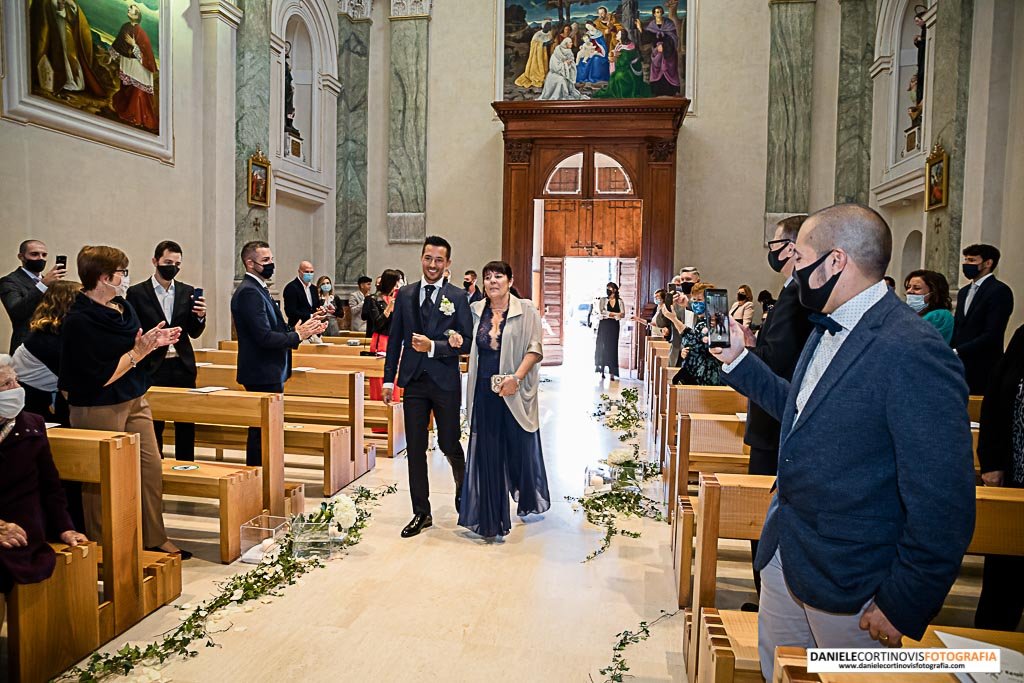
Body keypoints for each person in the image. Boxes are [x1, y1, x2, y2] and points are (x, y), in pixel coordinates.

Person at [710, 204, 975, 680]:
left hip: (853, 577)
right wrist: (739, 361)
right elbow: (804, 412)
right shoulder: (828, 324)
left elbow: (944, 499)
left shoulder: (913, 350)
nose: (794, 270)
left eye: (801, 258)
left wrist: (904, 601)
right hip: (788, 553)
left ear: (835, 262)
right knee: (782, 672)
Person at [59, 245, 190, 557]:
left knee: (150, 469)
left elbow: (135, 344)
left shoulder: (122, 306)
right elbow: (98, 376)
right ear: (104, 278)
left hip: (134, 395)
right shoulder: (79, 320)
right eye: (122, 273)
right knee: (102, 481)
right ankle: (108, 549)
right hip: (97, 404)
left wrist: (153, 342)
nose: (126, 278)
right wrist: (138, 352)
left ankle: (153, 536)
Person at [741, 214, 814, 601]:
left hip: (775, 421)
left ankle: (767, 595)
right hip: (776, 418)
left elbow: (778, 359)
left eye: (773, 243)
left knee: (768, 513)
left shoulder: (795, 293)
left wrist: (744, 354)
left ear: (790, 247)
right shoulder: (796, 291)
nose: (770, 250)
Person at [383, 236, 473, 539]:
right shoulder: (406, 294)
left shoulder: (458, 297)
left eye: (438, 260)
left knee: (449, 443)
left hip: (445, 382)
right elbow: (395, 341)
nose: (432, 265)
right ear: (421, 259)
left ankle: (463, 491)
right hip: (414, 383)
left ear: (447, 264)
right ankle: (421, 512)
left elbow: (467, 341)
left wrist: (433, 346)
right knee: (416, 449)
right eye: (427, 258)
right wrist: (387, 380)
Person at [459, 261, 550, 539]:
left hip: (513, 387)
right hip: (484, 390)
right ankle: (490, 519)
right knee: (488, 452)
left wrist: (516, 378)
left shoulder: (526, 309)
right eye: (487, 277)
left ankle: (525, 494)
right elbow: (466, 342)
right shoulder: (475, 310)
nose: (492, 281)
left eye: (498, 276)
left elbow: (535, 348)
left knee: (518, 448)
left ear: (510, 280)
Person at [0, 354, 88, 626]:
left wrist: (65, 526)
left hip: (22, 523)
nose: (16, 389)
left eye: (16, 381)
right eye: (5, 384)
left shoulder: (32, 424)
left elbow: (51, 485)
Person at [231, 241, 326, 467]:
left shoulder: (259, 289)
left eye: (272, 259)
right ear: (249, 263)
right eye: (265, 261)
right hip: (262, 371)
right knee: (261, 432)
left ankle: (267, 476)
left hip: (270, 370)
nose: (271, 264)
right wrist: (298, 336)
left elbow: (277, 328)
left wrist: (303, 328)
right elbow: (263, 337)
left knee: (268, 431)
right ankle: (259, 477)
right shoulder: (249, 293)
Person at [126, 241, 206, 460]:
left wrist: (199, 316)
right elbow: (133, 329)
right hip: (152, 365)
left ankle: (186, 466)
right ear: (155, 261)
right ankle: (155, 464)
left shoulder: (187, 291)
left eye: (177, 264)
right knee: (154, 421)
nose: (173, 267)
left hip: (182, 364)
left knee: (186, 421)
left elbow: (195, 331)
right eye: (168, 262)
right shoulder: (136, 293)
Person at [975, 323, 1024, 631]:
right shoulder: (1023, 337)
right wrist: (991, 462)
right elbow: (996, 400)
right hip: (1016, 478)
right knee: (1003, 580)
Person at [12, 279, 79, 425]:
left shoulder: (57, 331)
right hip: (32, 400)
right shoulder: (45, 338)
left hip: (47, 392)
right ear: (68, 305)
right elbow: (73, 379)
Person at [952, 244, 1014, 395]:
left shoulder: (999, 291)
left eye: (972, 260)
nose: (966, 264)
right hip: (961, 364)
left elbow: (992, 333)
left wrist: (958, 350)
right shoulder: (964, 291)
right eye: (965, 260)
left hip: (984, 364)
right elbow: (959, 326)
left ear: (988, 263)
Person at [1, 240, 67, 353]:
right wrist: (43, 285)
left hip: (52, 347)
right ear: (21, 257)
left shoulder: (52, 283)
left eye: (44, 255)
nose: (40, 258)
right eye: (34, 254)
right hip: (26, 348)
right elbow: (17, 311)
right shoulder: (9, 281)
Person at [109, 3, 158, 132]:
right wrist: (111, 55)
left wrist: (134, 44)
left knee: (136, 91)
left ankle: (136, 117)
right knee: (126, 87)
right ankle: (125, 111)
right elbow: (118, 42)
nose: (129, 9)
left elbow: (145, 53)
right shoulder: (125, 27)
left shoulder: (141, 33)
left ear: (136, 16)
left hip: (138, 66)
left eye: (132, 9)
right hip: (126, 62)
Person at [671, 283, 723, 386]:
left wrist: (673, 318)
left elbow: (696, 340)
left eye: (699, 300)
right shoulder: (701, 319)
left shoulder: (714, 321)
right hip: (697, 370)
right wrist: (687, 351)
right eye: (694, 300)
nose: (695, 303)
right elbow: (696, 344)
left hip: (707, 374)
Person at [367, 270, 403, 410]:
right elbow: (377, 324)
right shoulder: (374, 299)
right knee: (379, 380)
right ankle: (379, 420)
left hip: (395, 340)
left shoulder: (398, 299)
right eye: (396, 282)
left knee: (394, 379)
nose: (398, 285)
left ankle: (394, 418)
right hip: (380, 340)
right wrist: (389, 308)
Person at [592, 30, 651, 99]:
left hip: (631, 70)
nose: (616, 35)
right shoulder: (620, 44)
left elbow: (623, 62)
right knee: (616, 75)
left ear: (622, 36)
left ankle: (623, 93)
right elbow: (618, 54)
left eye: (618, 34)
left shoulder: (629, 47)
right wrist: (614, 55)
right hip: (624, 67)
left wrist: (614, 59)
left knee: (619, 76)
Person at [636, 6, 681, 96]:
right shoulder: (652, 24)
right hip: (656, 52)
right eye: (657, 12)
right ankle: (657, 91)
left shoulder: (669, 23)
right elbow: (648, 37)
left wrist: (664, 46)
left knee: (668, 69)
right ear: (654, 14)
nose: (659, 13)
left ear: (663, 12)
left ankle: (670, 91)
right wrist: (641, 29)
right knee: (657, 69)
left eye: (660, 12)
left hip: (669, 52)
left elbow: (674, 38)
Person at [903, 269, 954, 344]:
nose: (909, 291)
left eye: (917, 288)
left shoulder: (940, 316)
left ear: (933, 292)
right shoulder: (906, 313)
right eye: (908, 287)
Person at [595, 282, 624, 379]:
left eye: (610, 288)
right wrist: (615, 314)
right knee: (603, 346)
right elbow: (602, 311)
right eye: (607, 288)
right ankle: (602, 370)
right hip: (604, 325)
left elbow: (622, 314)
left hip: (614, 326)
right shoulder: (603, 300)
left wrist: (612, 314)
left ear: (615, 290)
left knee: (612, 347)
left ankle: (613, 372)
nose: (608, 290)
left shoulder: (619, 301)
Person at [514, 23, 553, 89]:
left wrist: (549, 43)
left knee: (545, 64)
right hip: (537, 54)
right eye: (548, 25)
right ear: (544, 26)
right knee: (536, 65)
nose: (549, 27)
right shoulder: (538, 34)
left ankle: (544, 75)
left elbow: (549, 40)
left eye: (550, 25)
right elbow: (533, 43)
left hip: (545, 52)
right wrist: (543, 44)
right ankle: (537, 76)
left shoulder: (549, 33)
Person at [282, 261, 318, 328]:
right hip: (298, 328)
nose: (309, 274)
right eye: (307, 272)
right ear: (299, 271)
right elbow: (290, 312)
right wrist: (311, 316)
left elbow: (315, 307)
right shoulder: (291, 288)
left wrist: (321, 311)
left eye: (311, 272)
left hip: (313, 328)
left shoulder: (314, 288)